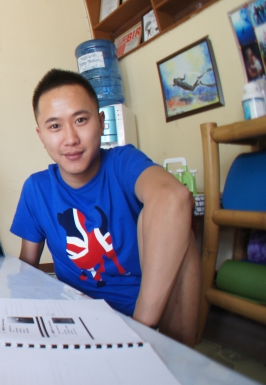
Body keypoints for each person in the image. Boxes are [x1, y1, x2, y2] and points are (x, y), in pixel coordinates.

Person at [10, 69, 199, 346]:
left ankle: (165, 351)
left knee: (178, 221)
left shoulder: (123, 162)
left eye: (80, 120)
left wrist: (138, 331)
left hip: (148, 318)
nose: (70, 138)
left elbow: (173, 198)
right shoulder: (36, 189)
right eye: (55, 126)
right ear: (41, 135)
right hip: (78, 320)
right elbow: (27, 270)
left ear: (101, 122)